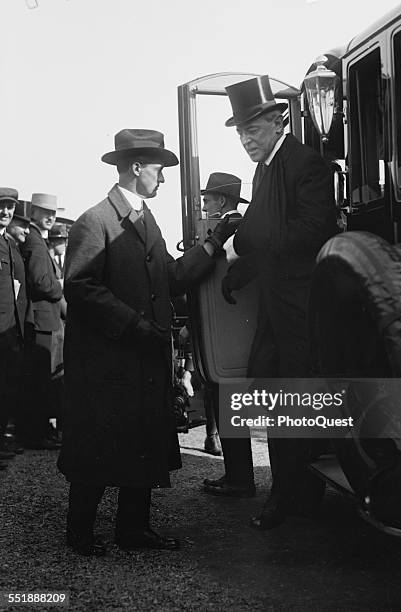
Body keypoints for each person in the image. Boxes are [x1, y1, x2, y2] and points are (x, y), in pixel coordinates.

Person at [57, 128, 239, 557]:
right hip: (109, 358)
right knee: (99, 445)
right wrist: (138, 326)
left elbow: (171, 276)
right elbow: (80, 287)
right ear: (136, 168)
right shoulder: (95, 220)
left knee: (140, 440)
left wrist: (214, 242)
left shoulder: (145, 219)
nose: (163, 179)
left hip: (140, 357)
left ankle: (133, 529)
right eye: (158, 169)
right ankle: (79, 531)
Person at [218, 75, 337, 529]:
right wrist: (243, 270)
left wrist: (249, 244)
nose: (246, 139)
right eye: (240, 132)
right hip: (277, 305)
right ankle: (294, 492)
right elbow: (269, 236)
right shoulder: (266, 166)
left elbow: (313, 230)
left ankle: (291, 495)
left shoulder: (306, 164)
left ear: (276, 120)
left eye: (252, 129)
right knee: (272, 390)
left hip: (303, 309)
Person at [200, 172, 258, 485]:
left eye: (207, 199)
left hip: (228, 331)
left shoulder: (232, 230)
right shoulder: (236, 226)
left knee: (229, 402)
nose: (204, 205)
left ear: (221, 201)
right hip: (231, 330)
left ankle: (238, 478)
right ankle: (237, 475)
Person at [20, 193, 63, 450]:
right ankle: (36, 434)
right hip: (41, 320)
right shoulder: (36, 243)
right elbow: (40, 282)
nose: (50, 217)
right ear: (33, 212)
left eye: (54, 213)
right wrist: (60, 288)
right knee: (39, 381)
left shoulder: (34, 239)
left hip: (40, 320)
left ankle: (37, 431)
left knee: (38, 379)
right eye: (45, 212)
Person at [0, 189, 28, 467]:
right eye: (2, 206)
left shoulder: (7, 243)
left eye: (10, 207)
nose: (6, 212)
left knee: (6, 388)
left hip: (9, 329)